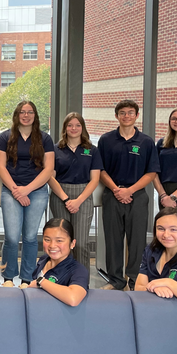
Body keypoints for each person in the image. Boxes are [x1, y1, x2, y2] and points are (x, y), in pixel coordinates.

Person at [98, 99, 159, 291]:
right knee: (113, 239)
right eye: (122, 113)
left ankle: (134, 280)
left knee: (137, 240)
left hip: (138, 196)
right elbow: (100, 170)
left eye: (130, 113)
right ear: (116, 116)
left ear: (137, 116)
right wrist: (117, 190)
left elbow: (152, 172)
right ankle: (116, 280)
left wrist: (129, 191)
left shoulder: (146, 142)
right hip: (112, 195)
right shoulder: (106, 140)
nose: (126, 116)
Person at [0, 100, 55, 288]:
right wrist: (16, 190)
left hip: (36, 192)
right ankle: (8, 277)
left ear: (35, 116)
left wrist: (27, 190)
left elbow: (48, 169)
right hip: (11, 190)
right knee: (12, 237)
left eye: (30, 112)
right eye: (22, 112)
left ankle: (28, 278)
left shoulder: (45, 139)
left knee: (30, 237)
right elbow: (0, 167)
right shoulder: (5, 137)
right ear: (17, 115)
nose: (26, 115)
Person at [48, 112, 102, 278]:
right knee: (61, 241)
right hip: (60, 195)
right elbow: (50, 177)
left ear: (82, 128)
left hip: (83, 197)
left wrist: (78, 201)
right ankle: (62, 276)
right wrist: (65, 198)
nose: (74, 128)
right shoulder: (56, 150)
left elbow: (95, 180)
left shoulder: (92, 150)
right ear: (65, 128)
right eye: (70, 125)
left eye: (77, 125)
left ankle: (81, 278)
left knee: (80, 243)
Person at [28, 218, 88, 306]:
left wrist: (41, 282)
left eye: (59, 241)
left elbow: (73, 298)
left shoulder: (78, 270)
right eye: (47, 240)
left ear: (72, 244)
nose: (52, 245)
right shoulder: (44, 259)